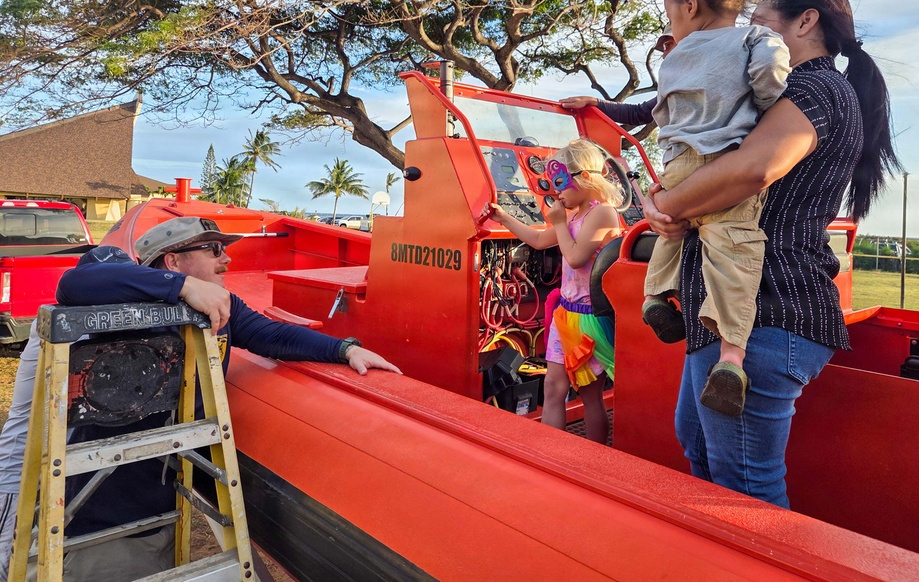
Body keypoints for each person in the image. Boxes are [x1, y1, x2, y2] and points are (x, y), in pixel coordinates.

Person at [0, 217, 401, 581]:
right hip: (98, 506)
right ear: (173, 262)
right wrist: (184, 289)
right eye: (212, 250)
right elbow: (74, 285)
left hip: (159, 497)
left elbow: (272, 335)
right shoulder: (124, 303)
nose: (225, 259)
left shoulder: (222, 308)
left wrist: (345, 349)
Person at [645, 0, 900, 507]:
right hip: (734, 311)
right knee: (700, 448)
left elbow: (753, 169)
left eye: (758, 19)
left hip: (767, 312)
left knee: (744, 485)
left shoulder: (816, 90)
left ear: (805, 23)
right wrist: (675, 204)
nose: (744, 30)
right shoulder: (793, 94)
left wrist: (666, 207)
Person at [579, 0, 792, 418]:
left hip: (676, 169)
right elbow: (770, 78)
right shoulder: (756, 38)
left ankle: (655, 296)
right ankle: (732, 359)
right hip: (721, 165)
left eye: (671, 12)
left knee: (668, 228)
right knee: (733, 251)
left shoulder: (675, 56)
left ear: (689, 4)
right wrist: (762, 106)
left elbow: (653, 112)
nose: (671, 23)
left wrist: (600, 107)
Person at [489, 139, 622, 444]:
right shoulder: (573, 215)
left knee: (590, 394)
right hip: (566, 314)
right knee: (553, 387)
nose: (555, 192)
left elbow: (575, 257)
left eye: (560, 182)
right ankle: (552, 456)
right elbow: (537, 240)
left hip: (591, 320)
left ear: (586, 178)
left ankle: (595, 458)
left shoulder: (602, 214)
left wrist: (560, 222)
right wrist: (505, 218)